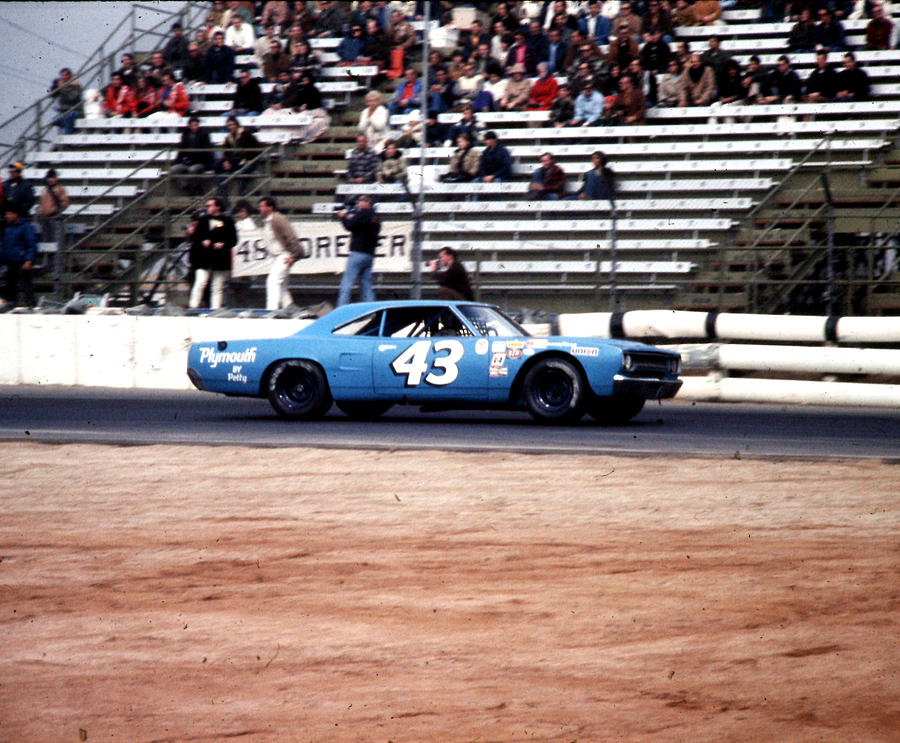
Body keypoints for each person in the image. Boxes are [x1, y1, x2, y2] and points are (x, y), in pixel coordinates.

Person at [257, 196, 306, 310]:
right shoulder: (268, 221)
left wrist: (295, 255)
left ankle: (271, 310)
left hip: (284, 255)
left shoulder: (278, 219)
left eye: (261, 206)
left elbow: (291, 237)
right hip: (277, 256)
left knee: (272, 281)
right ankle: (290, 308)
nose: (259, 208)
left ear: (270, 207)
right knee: (282, 286)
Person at [189, 196, 235, 309]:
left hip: (220, 258)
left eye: (209, 205)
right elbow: (196, 237)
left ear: (217, 207)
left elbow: (233, 239)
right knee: (200, 282)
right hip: (204, 258)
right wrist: (202, 240)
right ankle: (193, 306)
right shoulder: (203, 220)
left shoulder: (227, 221)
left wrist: (223, 244)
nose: (207, 208)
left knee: (217, 286)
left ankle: (215, 309)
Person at [336, 195, 380, 306]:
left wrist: (342, 217)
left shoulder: (363, 213)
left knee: (347, 283)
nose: (358, 203)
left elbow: (349, 226)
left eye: (361, 201)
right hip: (369, 254)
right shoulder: (376, 217)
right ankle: (371, 310)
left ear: (368, 202)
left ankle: (341, 309)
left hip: (358, 252)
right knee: (366, 285)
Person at [0, 201, 38, 310]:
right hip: (9, 261)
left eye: (8, 214)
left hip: (21, 261)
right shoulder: (7, 228)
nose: (7, 216)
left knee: (26, 285)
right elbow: (5, 245)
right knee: (9, 286)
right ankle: (9, 305)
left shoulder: (26, 227)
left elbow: (32, 245)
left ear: (16, 214)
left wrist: (29, 260)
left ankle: (32, 305)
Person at [219, 116, 262, 195]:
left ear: (237, 125)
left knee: (244, 171)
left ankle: (242, 191)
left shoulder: (246, 134)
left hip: (248, 161)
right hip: (236, 161)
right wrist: (226, 161)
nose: (231, 127)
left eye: (233, 124)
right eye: (229, 125)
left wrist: (248, 159)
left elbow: (257, 149)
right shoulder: (228, 137)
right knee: (217, 166)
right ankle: (221, 191)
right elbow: (226, 152)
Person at [171, 116, 214, 194]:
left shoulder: (204, 135)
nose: (194, 127)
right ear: (189, 126)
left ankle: (195, 187)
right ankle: (185, 186)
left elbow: (207, 151)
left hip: (201, 162)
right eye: (192, 125)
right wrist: (177, 161)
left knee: (193, 169)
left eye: (196, 125)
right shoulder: (185, 135)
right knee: (174, 169)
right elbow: (181, 151)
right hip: (188, 162)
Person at [38, 169, 69, 243]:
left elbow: (65, 202)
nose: (50, 180)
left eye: (51, 177)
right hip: (44, 218)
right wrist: (40, 210)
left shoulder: (60, 189)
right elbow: (42, 202)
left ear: (55, 178)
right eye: (49, 178)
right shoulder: (45, 190)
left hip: (54, 217)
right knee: (46, 240)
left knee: (55, 239)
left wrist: (55, 210)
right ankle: (48, 254)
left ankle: (55, 254)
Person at [50, 68, 84, 135]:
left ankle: (68, 135)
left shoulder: (76, 86)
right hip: (64, 111)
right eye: (62, 75)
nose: (63, 77)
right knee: (55, 120)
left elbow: (72, 97)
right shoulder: (62, 86)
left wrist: (63, 87)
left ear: (69, 76)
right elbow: (52, 95)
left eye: (65, 75)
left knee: (68, 117)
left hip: (75, 111)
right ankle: (73, 130)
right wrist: (55, 86)